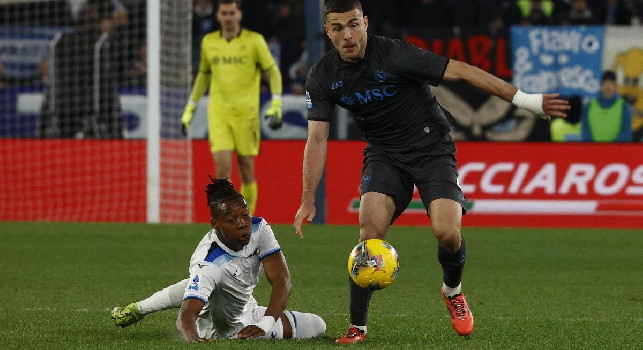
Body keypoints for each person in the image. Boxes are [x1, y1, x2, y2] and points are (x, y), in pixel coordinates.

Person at [293, 0, 569, 344]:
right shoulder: (322, 76)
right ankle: (357, 327)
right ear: (327, 31)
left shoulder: (395, 55)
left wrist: (527, 100)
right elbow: (316, 139)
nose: (347, 35)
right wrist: (307, 198)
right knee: (369, 233)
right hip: (384, 154)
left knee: (447, 232)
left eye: (353, 25)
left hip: (431, 147)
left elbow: (464, 71)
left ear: (365, 22)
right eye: (338, 28)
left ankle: (452, 290)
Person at [111, 177, 326, 341]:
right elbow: (186, 317)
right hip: (226, 330)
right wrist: (195, 340)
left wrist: (266, 323)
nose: (242, 223)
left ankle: (139, 308)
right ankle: (140, 308)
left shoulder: (259, 229)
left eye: (245, 214)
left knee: (319, 325)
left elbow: (282, 281)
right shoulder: (208, 263)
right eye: (232, 220)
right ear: (215, 224)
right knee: (204, 283)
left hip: (250, 311)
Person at [180, 0, 283, 215]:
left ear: (239, 15)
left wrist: (276, 103)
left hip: (247, 115)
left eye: (231, 13)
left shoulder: (254, 41)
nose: (228, 17)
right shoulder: (209, 42)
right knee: (222, 170)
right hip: (219, 114)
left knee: (246, 169)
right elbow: (203, 74)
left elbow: (272, 71)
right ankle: (226, 220)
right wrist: (190, 106)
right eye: (224, 13)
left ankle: (248, 219)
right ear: (218, 16)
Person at [581, 70, 632, 142]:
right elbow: (585, 130)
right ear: (601, 85)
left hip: (616, 151)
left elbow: (626, 133)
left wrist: (609, 149)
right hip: (593, 151)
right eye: (605, 83)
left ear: (615, 86)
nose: (608, 86)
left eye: (611, 83)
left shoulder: (624, 107)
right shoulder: (589, 105)